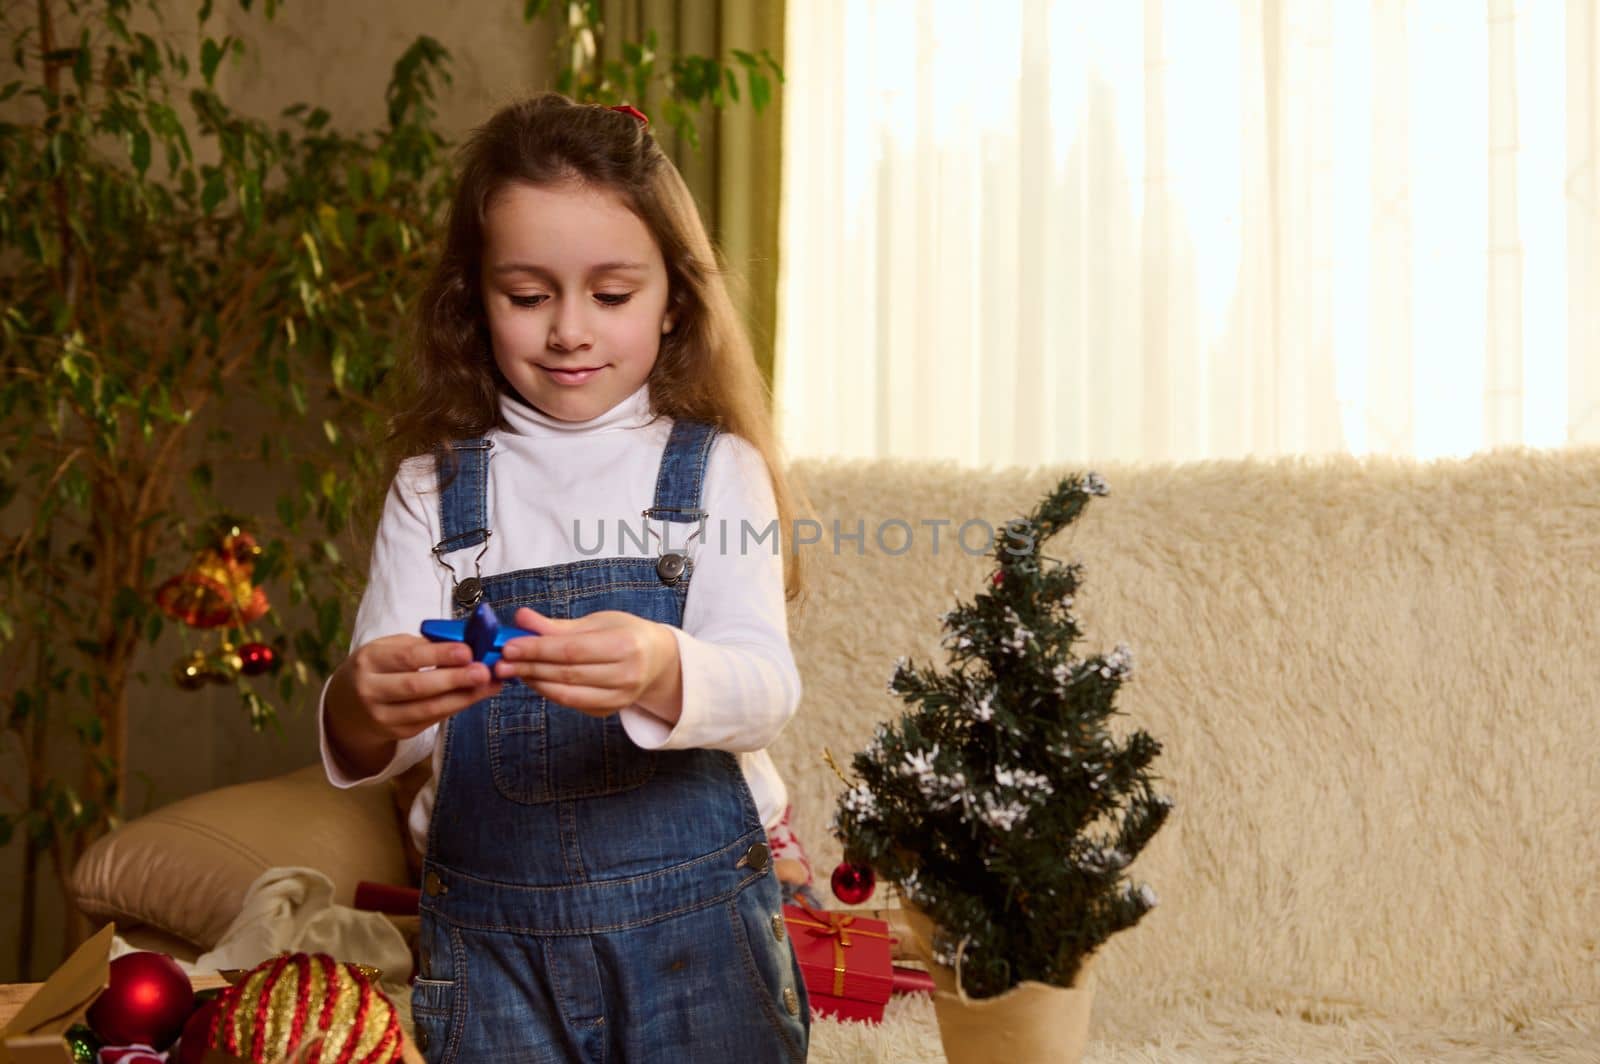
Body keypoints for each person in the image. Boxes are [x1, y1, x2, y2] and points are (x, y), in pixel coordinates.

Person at [318, 92, 814, 1062]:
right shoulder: (436, 490)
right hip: (494, 948)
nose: (570, 331)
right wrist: (361, 700)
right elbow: (379, 729)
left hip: (702, 936)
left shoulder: (714, 471)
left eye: (612, 294)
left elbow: (764, 686)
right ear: (474, 300)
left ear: (674, 297)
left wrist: (659, 665)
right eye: (529, 294)